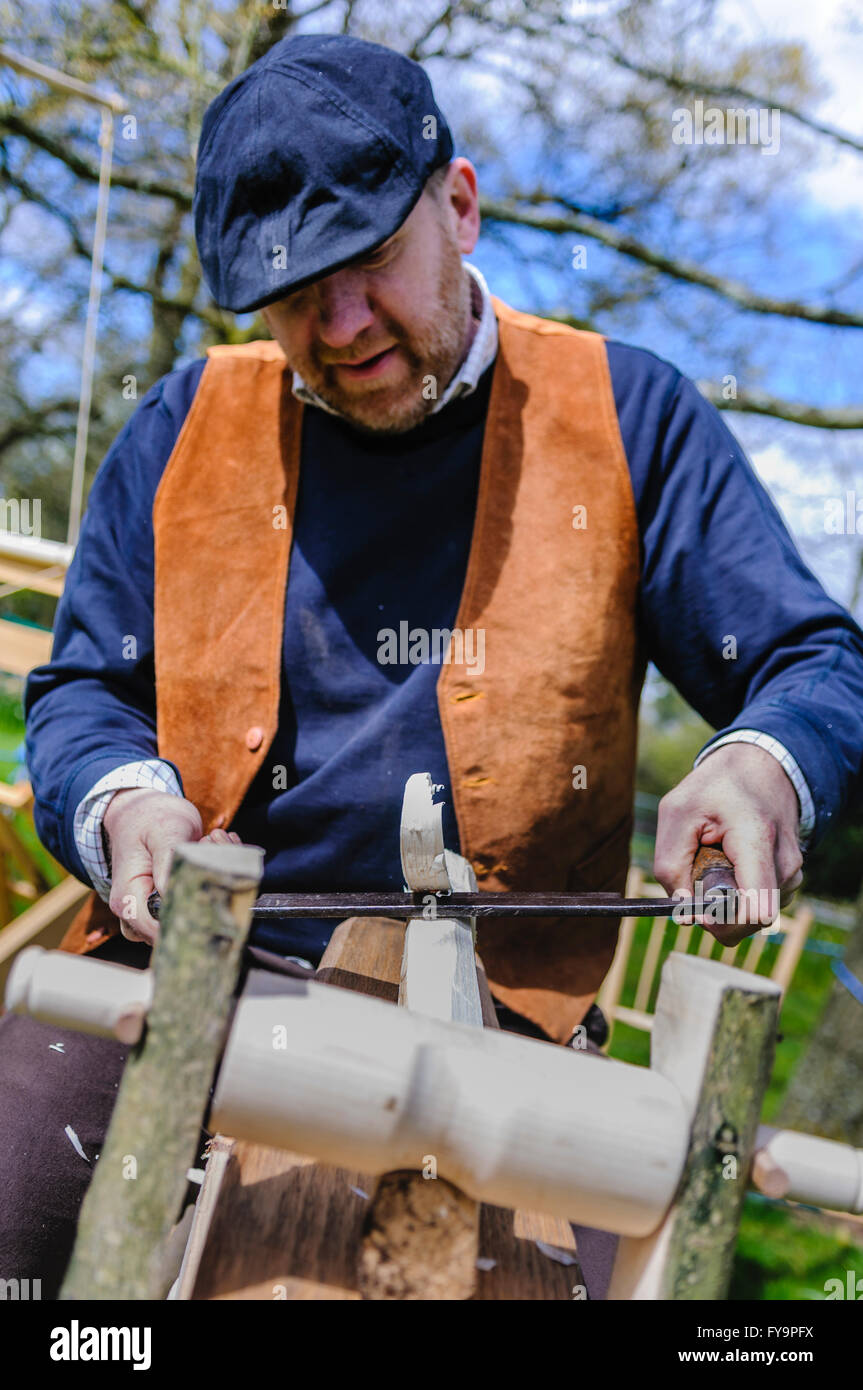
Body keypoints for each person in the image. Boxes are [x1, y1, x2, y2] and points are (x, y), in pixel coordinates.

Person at [4, 33, 863, 1301]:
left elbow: (808, 659)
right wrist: (123, 799)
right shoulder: (178, 419)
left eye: (365, 265)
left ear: (457, 205)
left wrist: (758, 766)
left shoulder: (632, 415)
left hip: (507, 1000)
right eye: (292, 295)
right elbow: (85, 692)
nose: (340, 328)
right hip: (186, 964)